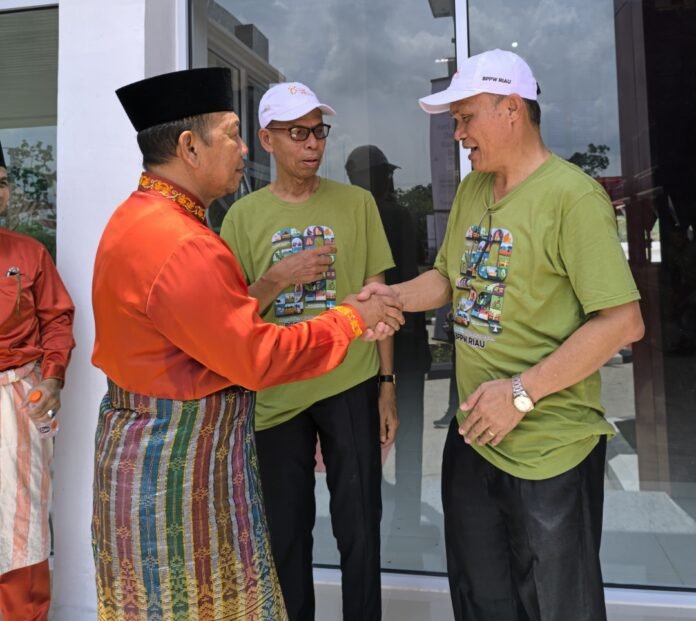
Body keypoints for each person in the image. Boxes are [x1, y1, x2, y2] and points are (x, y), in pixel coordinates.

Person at [91, 68, 403, 621]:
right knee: (195, 598)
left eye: (318, 131)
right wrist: (351, 319)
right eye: (233, 134)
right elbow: (257, 356)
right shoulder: (183, 243)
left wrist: (383, 378)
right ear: (190, 147)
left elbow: (219, 321)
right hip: (176, 462)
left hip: (161, 446)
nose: (241, 150)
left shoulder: (139, 219)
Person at [359, 49, 645, 621]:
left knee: (557, 606)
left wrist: (520, 393)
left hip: (549, 449)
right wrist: (392, 299)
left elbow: (622, 322)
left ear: (511, 108)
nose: (458, 133)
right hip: (473, 437)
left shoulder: (572, 197)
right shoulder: (474, 190)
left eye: (466, 117)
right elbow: (448, 277)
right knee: (481, 599)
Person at [220, 83, 396, 621]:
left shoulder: (357, 204)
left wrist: (387, 386)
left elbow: (380, 299)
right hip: (277, 392)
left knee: (360, 526)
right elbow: (231, 316)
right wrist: (277, 277)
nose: (312, 143)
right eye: (298, 132)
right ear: (267, 140)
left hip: (350, 379)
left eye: (319, 131)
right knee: (286, 534)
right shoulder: (241, 217)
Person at [0, 140, 75, 621]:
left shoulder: (28, 253)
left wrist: (52, 379)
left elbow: (57, 321)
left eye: (2, 183)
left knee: (20, 518)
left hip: (17, 399)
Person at [345, 145, 431, 528]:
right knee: (408, 436)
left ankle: (371, 511)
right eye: (387, 175)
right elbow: (415, 263)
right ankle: (407, 517)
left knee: (367, 437)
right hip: (406, 338)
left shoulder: (351, 216)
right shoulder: (397, 215)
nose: (391, 181)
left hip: (366, 342)